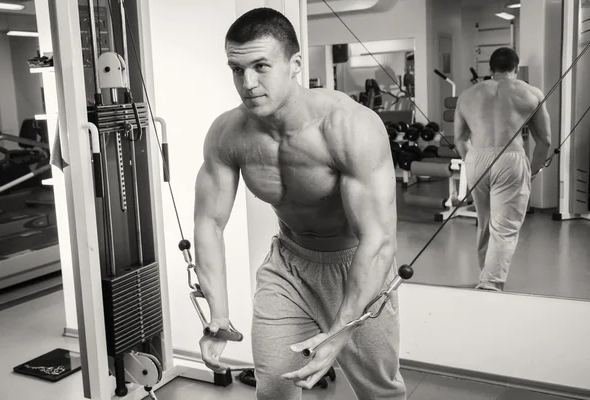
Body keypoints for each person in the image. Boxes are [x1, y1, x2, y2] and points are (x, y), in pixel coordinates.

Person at [192, 7, 406, 400]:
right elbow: (209, 223)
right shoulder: (228, 134)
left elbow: (378, 240)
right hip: (288, 267)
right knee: (273, 389)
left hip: (357, 265)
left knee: (380, 394)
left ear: (295, 64)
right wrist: (217, 314)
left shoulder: (348, 126)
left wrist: (340, 331)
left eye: (260, 66)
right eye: (237, 70)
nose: (248, 82)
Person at [454, 47, 552, 291]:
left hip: (477, 158)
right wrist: (532, 171)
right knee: (505, 227)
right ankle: (490, 284)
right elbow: (545, 140)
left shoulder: (467, 94)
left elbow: (459, 138)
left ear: (490, 69)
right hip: (511, 158)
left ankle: (486, 274)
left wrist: (472, 162)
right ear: (516, 69)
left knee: (485, 222)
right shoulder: (531, 93)